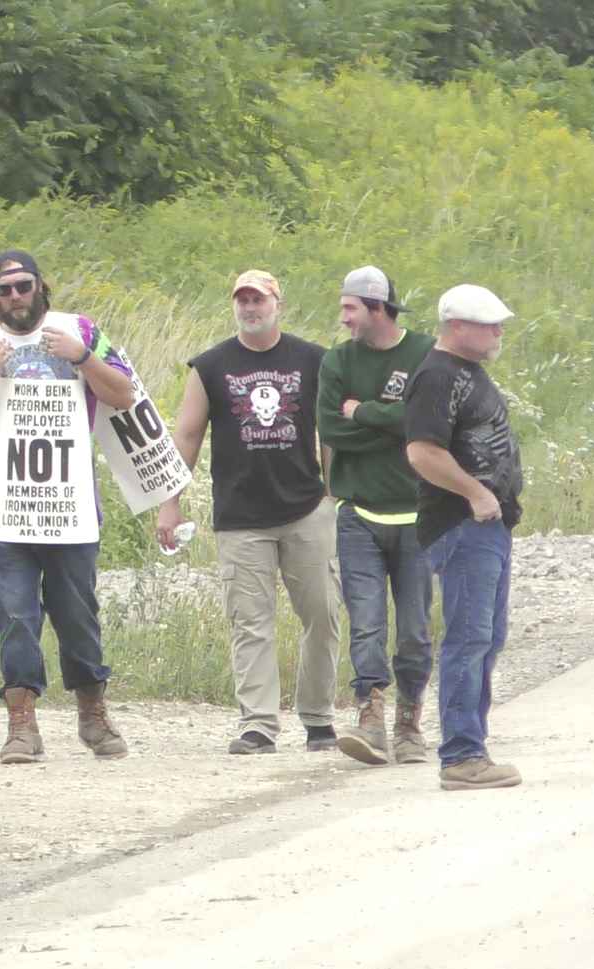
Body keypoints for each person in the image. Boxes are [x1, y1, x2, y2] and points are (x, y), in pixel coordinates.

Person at [0, 250, 136, 764]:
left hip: (70, 505)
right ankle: (21, 724)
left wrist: (82, 357)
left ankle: (93, 714)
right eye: (4, 290)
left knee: (78, 614)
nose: (15, 297)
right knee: (14, 616)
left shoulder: (79, 330)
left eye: (23, 286)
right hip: (10, 509)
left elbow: (123, 395)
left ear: (41, 286)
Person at [157, 270, 343, 754]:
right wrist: (169, 503)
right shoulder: (212, 365)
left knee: (322, 614)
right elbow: (187, 436)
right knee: (250, 623)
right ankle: (258, 724)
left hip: (306, 509)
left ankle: (319, 718)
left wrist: (333, 491)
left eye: (258, 299)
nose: (249, 308)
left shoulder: (313, 360)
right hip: (241, 516)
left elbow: (330, 431)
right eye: (242, 300)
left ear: (277, 303)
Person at [404, 283, 525, 791]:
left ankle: (471, 746)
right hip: (463, 525)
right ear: (458, 327)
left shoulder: (465, 374)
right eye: (489, 324)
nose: (498, 332)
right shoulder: (436, 376)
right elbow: (422, 452)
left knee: (486, 638)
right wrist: (476, 494)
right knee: (469, 638)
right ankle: (460, 754)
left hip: (485, 526)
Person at [317, 266, 437, 766]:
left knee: (413, 627)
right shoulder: (338, 361)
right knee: (365, 622)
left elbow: (428, 421)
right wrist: (393, 425)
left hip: (418, 515)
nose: (342, 317)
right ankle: (370, 714)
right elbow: (329, 427)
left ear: (378, 308)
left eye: (350, 308)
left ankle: (409, 720)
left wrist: (363, 412)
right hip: (358, 514)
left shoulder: (426, 353)